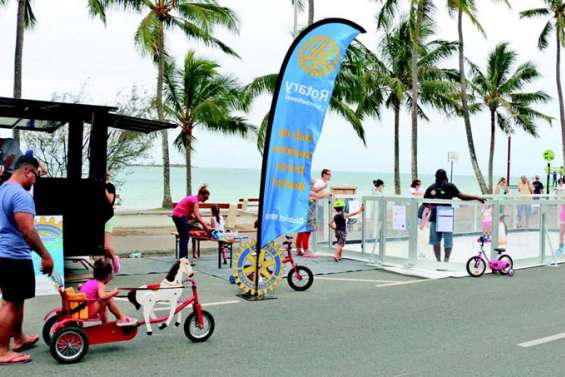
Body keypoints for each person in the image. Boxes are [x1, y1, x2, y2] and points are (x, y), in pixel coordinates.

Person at [0, 155, 54, 365]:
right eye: (36, 176)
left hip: (5, 254)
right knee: (10, 303)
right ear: (27, 171)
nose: (35, 181)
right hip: (12, 255)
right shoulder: (21, 195)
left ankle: (19, 338)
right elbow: (28, 230)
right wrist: (46, 256)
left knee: (16, 298)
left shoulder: (3, 189)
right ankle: (2, 351)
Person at [423, 169, 484, 263]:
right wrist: (476, 197)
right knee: (448, 241)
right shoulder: (449, 186)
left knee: (436, 241)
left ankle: (438, 261)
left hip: (434, 217)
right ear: (445, 176)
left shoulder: (431, 187)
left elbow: (425, 203)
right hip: (446, 217)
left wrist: (430, 208)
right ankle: (446, 261)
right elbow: (462, 196)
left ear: (435, 177)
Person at [79, 259, 138, 326]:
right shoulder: (100, 284)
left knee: (103, 302)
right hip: (88, 311)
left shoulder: (89, 281)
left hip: (81, 310)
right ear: (108, 276)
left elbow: (83, 289)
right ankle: (122, 317)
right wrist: (114, 292)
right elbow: (102, 296)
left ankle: (105, 323)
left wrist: (81, 287)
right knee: (108, 299)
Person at [296, 169, 332, 258]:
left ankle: (298, 249)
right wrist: (328, 193)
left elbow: (315, 193)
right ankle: (306, 250)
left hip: (303, 212)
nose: (314, 186)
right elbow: (318, 195)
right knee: (307, 230)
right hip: (309, 213)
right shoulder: (308, 191)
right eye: (312, 185)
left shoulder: (302, 190)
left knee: (301, 230)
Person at [171, 185, 211, 260]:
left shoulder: (193, 198)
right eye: (205, 198)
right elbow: (197, 216)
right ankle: (183, 259)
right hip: (180, 217)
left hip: (177, 216)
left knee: (184, 237)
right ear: (200, 195)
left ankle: (183, 259)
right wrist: (205, 226)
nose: (205, 200)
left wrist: (204, 222)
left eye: (207, 199)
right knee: (185, 237)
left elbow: (192, 215)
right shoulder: (195, 201)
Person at [104, 171, 120, 273]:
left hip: (108, 217)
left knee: (107, 246)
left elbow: (110, 200)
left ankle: (115, 258)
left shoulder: (110, 187)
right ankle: (106, 268)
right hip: (98, 218)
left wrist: (104, 188)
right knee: (102, 248)